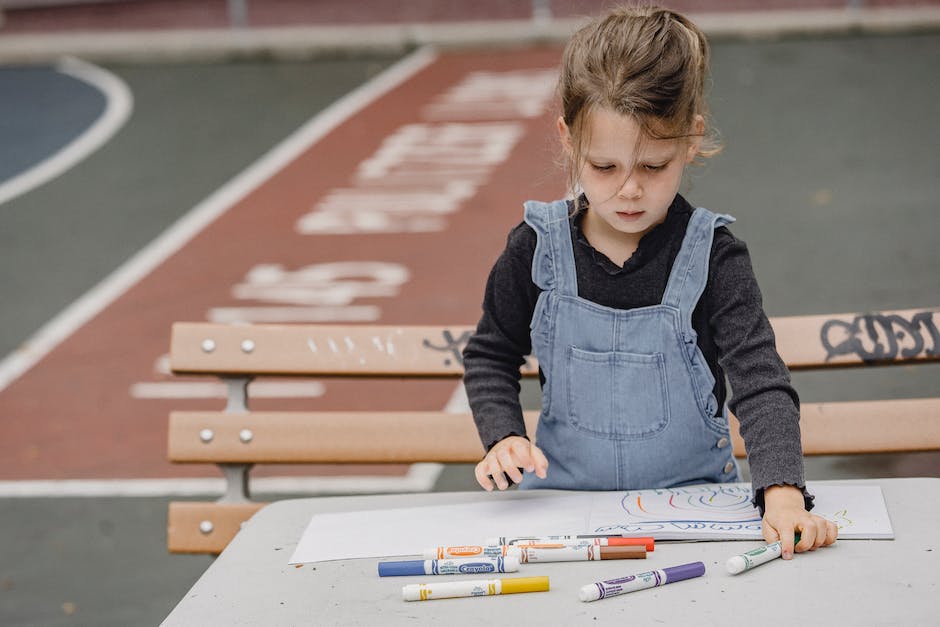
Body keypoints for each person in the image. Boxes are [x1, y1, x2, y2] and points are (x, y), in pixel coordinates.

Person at [462, 4, 837, 558]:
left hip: (692, 515)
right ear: (568, 140)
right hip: (562, 514)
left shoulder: (714, 257)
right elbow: (491, 354)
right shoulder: (535, 247)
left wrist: (782, 492)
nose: (629, 191)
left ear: (690, 140)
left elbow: (760, 380)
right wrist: (503, 436)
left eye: (654, 166)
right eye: (605, 168)